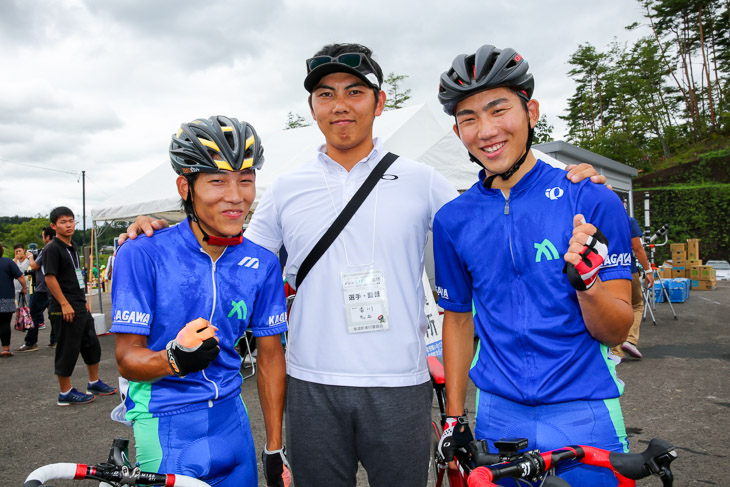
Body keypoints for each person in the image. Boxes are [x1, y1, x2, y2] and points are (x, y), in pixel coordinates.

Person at [123, 44, 605, 486]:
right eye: (326, 94)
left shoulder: (424, 180)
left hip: (401, 383)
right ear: (311, 109)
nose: (340, 105)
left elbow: (492, 206)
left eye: (355, 92)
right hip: (311, 384)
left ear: (379, 102)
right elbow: (234, 251)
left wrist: (565, 177)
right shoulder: (286, 189)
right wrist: (164, 229)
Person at [433, 45, 633, 486]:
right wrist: (453, 417)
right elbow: (459, 320)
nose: (485, 130)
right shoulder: (452, 219)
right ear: (458, 130)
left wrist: (587, 285)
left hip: (584, 411)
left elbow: (617, 330)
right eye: (469, 118)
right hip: (498, 414)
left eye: (498, 109)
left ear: (532, 111)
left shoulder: (590, 198)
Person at [111, 116, 288, 486]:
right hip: (164, 422)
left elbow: (271, 356)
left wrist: (274, 446)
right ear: (185, 186)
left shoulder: (264, 264)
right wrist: (174, 358)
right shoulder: (143, 253)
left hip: (232, 422)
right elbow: (127, 360)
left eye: (246, 179)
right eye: (218, 180)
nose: (236, 195)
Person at [44, 207, 118, 405]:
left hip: (78, 304)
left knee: (91, 343)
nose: (68, 225)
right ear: (54, 226)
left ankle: (93, 382)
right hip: (63, 307)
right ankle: (65, 392)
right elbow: (50, 278)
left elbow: (74, 278)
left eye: (71, 221)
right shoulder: (52, 248)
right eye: (62, 222)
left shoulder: (72, 246)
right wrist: (64, 303)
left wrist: (82, 301)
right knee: (67, 349)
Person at [612, 214, 654, 360]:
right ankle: (630, 340)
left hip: (605, 272)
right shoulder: (627, 220)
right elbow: (637, 248)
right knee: (636, 305)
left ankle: (615, 350)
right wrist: (648, 270)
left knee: (613, 309)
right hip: (627, 270)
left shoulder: (596, 219)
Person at [17, 227, 56, 352]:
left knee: (33, 313)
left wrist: (30, 257)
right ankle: (55, 340)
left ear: (47, 237)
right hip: (54, 287)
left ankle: (31, 342)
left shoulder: (46, 249)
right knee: (54, 314)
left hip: (42, 288)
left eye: (43, 236)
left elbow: (34, 266)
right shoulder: (59, 248)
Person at [1, 243, 28, 357]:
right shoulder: (8, 262)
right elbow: (21, 276)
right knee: (5, 324)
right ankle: (6, 349)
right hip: (6, 298)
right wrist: (25, 287)